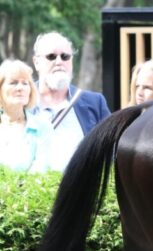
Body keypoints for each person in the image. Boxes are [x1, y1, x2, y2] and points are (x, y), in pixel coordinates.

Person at [32, 32, 110, 171]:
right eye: (51, 56)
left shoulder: (94, 103)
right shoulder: (19, 102)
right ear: (36, 62)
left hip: (81, 185)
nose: (59, 62)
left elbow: (111, 149)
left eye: (65, 57)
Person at [0, 59, 53, 172]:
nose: (20, 88)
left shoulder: (42, 127)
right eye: (13, 83)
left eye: (25, 83)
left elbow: (40, 171)